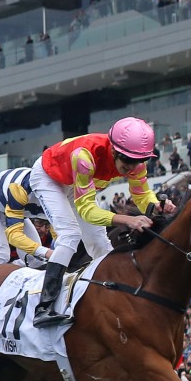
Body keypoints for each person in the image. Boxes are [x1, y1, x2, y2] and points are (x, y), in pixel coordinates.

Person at [28, 117, 174, 327]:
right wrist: (127, 220)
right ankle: (44, 307)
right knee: (70, 235)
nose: (131, 167)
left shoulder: (136, 164)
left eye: (137, 161)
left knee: (101, 245)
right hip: (49, 178)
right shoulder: (85, 156)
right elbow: (87, 210)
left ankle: (113, 302)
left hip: (75, 181)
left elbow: (142, 196)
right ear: (114, 151)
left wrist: (157, 206)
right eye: (127, 161)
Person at [0, 167, 53, 271]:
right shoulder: (21, 189)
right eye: (40, 223)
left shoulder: (64, 195)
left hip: (9, 202)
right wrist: (48, 253)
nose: (44, 229)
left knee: (35, 259)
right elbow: (14, 235)